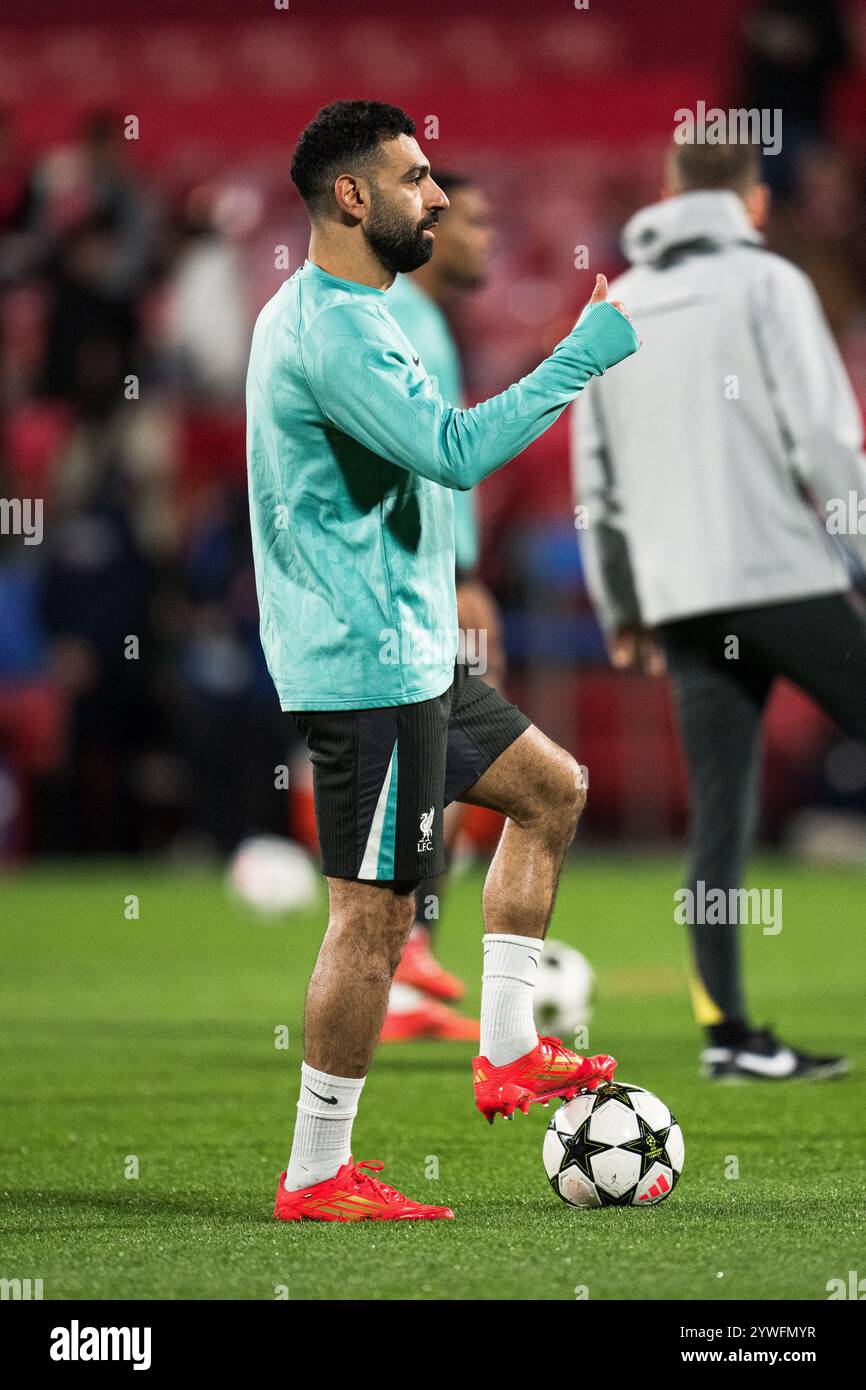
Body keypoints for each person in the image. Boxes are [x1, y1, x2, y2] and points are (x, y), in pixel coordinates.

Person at [246, 100, 639, 1222]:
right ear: (353, 197)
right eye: (416, 179)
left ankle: (507, 1050)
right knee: (372, 919)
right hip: (367, 667)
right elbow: (454, 453)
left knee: (548, 791)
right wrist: (577, 358)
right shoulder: (335, 328)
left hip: (410, 652)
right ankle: (317, 1170)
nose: (435, 196)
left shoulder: (353, 311)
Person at [573, 134, 863, 1082]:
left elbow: (597, 481)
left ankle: (731, 1037)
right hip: (782, 574)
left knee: (720, 817)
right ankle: (734, 1036)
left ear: (664, 193)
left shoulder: (615, 302)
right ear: (754, 203)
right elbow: (824, 437)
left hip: (681, 597)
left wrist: (623, 600)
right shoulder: (769, 282)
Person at [382, 170, 499, 1042]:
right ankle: (404, 941)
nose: (484, 238)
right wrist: (458, 571)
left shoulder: (416, 320)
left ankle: (405, 973)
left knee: (439, 761)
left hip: (422, 580)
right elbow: (431, 457)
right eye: (472, 222)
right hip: (421, 585)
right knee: (446, 762)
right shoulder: (408, 320)